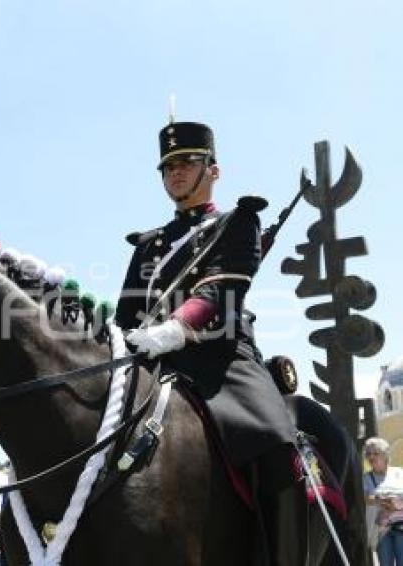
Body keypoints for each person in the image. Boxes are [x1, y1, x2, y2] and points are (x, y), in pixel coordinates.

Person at [114, 120, 303, 564]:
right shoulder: (148, 246)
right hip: (153, 364)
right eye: (167, 167)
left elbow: (221, 290)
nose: (175, 173)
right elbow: (125, 314)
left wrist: (175, 329)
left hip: (222, 361)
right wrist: (123, 339)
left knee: (278, 447)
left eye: (186, 162)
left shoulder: (238, 223)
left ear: (213, 170)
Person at [363, 437, 403, 564]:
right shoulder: (366, 477)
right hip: (381, 531)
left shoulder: (399, 473)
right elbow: (365, 498)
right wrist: (382, 500)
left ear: (385, 455)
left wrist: (396, 503)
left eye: (375, 453)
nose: (371, 457)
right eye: (368, 454)